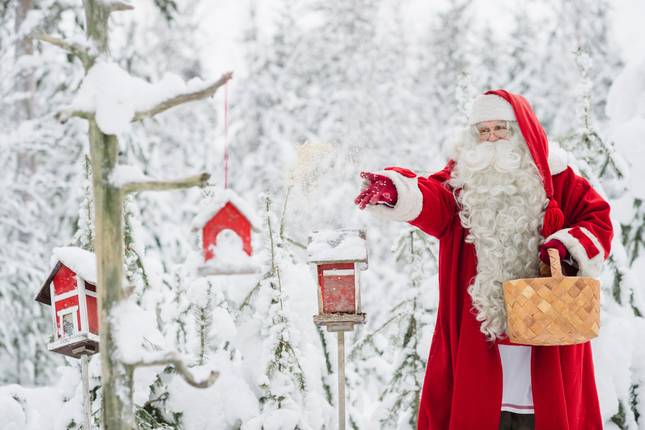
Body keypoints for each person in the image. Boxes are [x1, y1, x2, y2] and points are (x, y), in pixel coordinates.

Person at [354, 90, 613, 430]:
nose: (491, 139)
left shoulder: (557, 179)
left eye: (500, 129)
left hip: (548, 342)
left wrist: (567, 247)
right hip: (481, 345)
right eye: (483, 131)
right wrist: (399, 192)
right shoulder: (461, 182)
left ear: (520, 132)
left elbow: (599, 222)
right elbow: (433, 202)